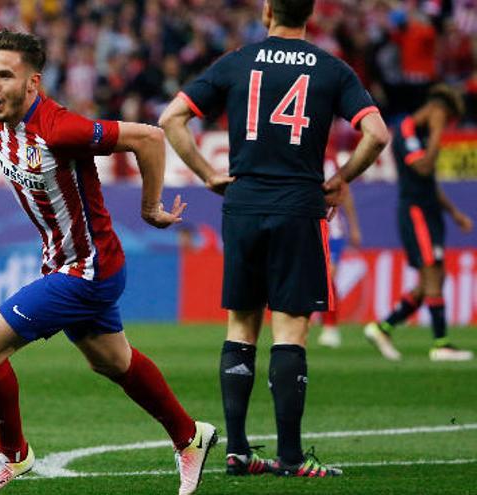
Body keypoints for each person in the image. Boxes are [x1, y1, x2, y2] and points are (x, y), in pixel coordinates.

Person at [0, 3, 217, 494]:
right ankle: (189, 435)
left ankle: (13, 455)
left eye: (4, 76)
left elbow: (150, 138)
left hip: (87, 270)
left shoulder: (59, 129)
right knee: (112, 361)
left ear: (33, 83)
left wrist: (151, 207)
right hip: (69, 262)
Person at [160, 0, 389, 479]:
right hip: (298, 206)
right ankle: (290, 457)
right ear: (309, 14)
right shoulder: (332, 69)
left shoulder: (238, 61)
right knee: (291, 330)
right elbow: (376, 133)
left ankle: (238, 451)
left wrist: (207, 174)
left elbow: (171, 119)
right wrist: (342, 176)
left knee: (240, 325)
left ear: (268, 12)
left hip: (242, 204)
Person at [364, 85, 474, 362]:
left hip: (428, 212)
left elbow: (429, 183)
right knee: (433, 275)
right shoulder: (407, 131)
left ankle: (382, 327)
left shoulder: (422, 134)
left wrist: (454, 213)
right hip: (416, 214)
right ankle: (441, 344)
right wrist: (439, 132)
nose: (445, 124)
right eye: (445, 117)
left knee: (432, 281)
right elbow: (422, 168)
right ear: (436, 109)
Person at [317, 154, 363, 349]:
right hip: (306, 223)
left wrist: (353, 226)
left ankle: (330, 327)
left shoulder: (331, 161)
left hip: (332, 228)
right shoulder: (300, 155)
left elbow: (345, 193)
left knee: (328, 276)